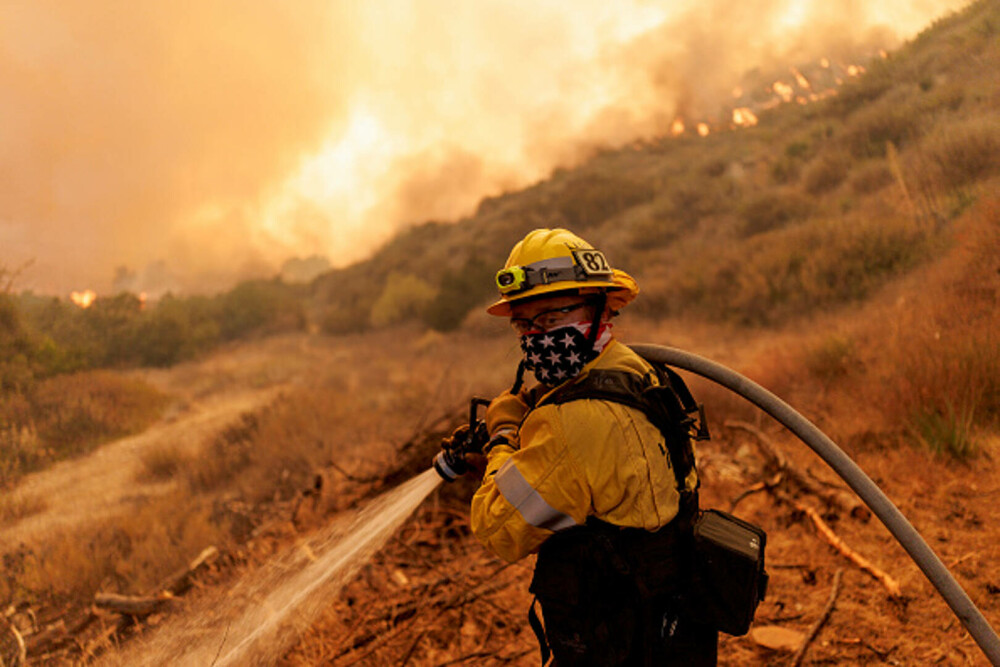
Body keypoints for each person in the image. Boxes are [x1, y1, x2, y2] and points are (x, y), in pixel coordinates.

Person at [468, 228, 718, 665]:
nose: (535, 336)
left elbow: (497, 528)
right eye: (523, 323)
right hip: (675, 627)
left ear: (601, 307)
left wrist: (504, 438)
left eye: (550, 319)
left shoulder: (569, 422)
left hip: (617, 638)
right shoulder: (637, 369)